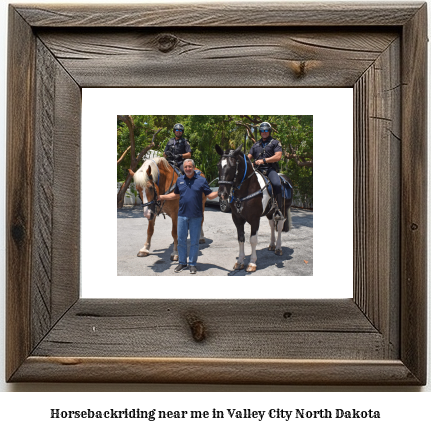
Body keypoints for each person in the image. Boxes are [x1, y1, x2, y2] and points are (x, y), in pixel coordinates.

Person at [158, 159, 218, 274]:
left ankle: (192, 264)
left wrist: (221, 192)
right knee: (181, 241)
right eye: (185, 167)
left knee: (194, 242)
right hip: (182, 216)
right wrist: (161, 197)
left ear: (194, 168)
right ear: (183, 168)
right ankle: (182, 263)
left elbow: (210, 195)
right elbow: (175, 195)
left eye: (190, 167)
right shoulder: (180, 180)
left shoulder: (201, 180)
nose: (187, 169)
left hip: (196, 217)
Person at [248, 121, 284, 220]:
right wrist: (248, 162)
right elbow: (248, 157)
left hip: (269, 169)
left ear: (269, 131)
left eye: (266, 130)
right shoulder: (256, 145)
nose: (264, 132)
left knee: (277, 184)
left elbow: (278, 156)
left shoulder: (275, 143)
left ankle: (278, 210)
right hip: (257, 170)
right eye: (262, 130)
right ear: (260, 132)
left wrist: (264, 160)